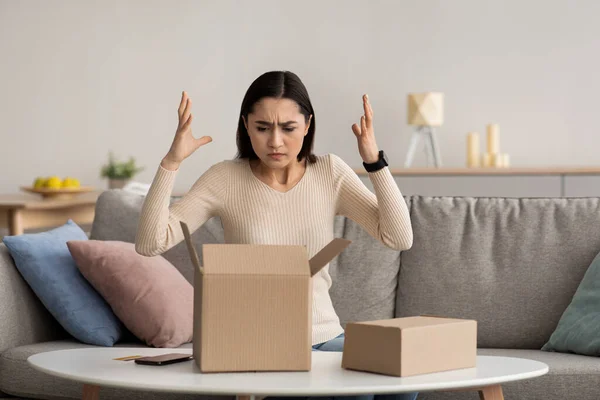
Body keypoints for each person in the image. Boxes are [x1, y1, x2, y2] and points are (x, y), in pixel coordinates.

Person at [135, 71, 416, 400]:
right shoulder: (225, 178)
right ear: (246, 125)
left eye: (288, 128)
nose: (275, 142)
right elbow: (150, 243)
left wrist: (374, 161)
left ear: (307, 125)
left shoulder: (329, 172)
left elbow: (399, 238)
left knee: (404, 380)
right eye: (263, 128)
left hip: (326, 339)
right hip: (260, 346)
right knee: (356, 394)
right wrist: (172, 162)